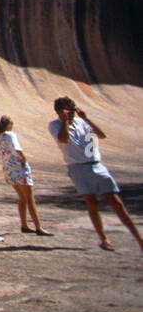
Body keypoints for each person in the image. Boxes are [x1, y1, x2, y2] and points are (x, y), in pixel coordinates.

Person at [48, 98, 143, 252]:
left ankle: (139, 239)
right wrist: (65, 121)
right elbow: (63, 139)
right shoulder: (55, 125)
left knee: (117, 203)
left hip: (96, 164)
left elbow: (101, 135)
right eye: (67, 110)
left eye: (72, 110)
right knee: (92, 203)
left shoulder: (81, 122)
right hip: (78, 167)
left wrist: (86, 118)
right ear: (58, 111)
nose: (71, 114)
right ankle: (104, 239)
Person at [0, 116, 51, 236]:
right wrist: (23, 159)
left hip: (8, 169)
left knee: (22, 197)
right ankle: (38, 227)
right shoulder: (10, 135)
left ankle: (24, 224)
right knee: (30, 198)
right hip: (18, 167)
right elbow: (16, 149)